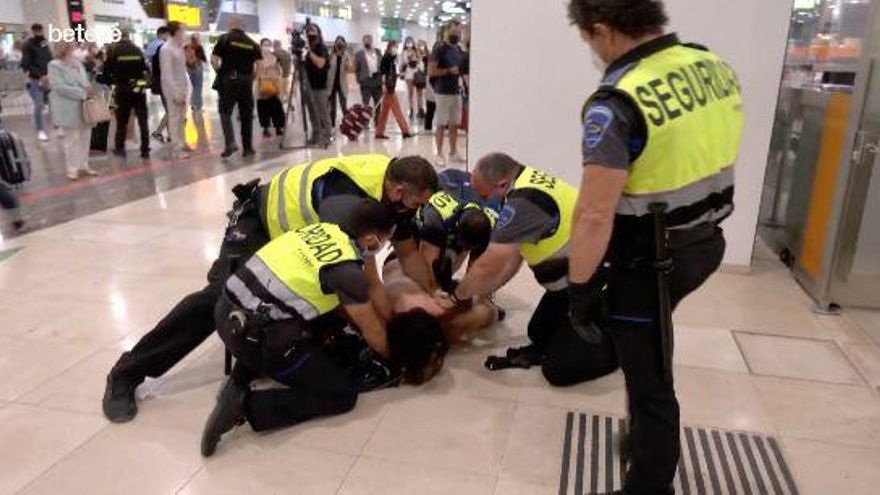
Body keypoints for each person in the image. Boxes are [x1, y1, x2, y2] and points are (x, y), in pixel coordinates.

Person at [102, 154, 439, 423]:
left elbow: (408, 255)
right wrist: (385, 337)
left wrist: (435, 294)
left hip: (293, 240)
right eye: (415, 203)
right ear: (397, 192)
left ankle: (258, 362)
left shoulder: (396, 196)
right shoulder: (347, 194)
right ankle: (126, 372)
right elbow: (362, 279)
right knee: (221, 297)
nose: (416, 211)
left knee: (318, 306)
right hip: (261, 224)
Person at [565, 1, 744, 493]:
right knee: (643, 347)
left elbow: (595, 214)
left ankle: (650, 480)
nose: (591, 50)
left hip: (650, 261)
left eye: (587, 39)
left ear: (602, 31)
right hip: (706, 243)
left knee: (651, 381)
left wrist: (579, 290)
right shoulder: (709, 64)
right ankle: (643, 439)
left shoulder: (616, 103)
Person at [201, 212, 449, 457]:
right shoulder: (347, 273)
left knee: (326, 315)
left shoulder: (326, 230)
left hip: (227, 308)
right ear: (372, 239)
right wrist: (395, 360)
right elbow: (371, 329)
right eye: (386, 240)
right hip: (253, 338)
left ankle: (241, 375)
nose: (384, 245)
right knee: (341, 394)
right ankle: (245, 406)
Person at [453, 153, 619, 386]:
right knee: (539, 332)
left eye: (484, 195)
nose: (482, 201)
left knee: (558, 370)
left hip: (597, 283)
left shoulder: (524, 204)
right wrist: (481, 293)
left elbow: (489, 265)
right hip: (575, 282)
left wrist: (457, 295)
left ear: (501, 184)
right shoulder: (524, 180)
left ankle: (620, 343)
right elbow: (513, 260)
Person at [382, 257, 500, 344]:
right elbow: (487, 313)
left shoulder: (435, 311)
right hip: (401, 267)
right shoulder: (439, 316)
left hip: (401, 266)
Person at [414, 189, 496, 292]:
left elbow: (478, 268)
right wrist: (435, 291)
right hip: (421, 229)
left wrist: (466, 293)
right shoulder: (436, 217)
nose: (467, 249)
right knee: (424, 280)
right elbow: (428, 261)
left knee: (452, 260)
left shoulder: (492, 226)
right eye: (466, 246)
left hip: (458, 229)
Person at [212, 17, 261, 158]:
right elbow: (260, 66)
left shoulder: (225, 39)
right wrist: (251, 79)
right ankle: (248, 148)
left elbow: (214, 60)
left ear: (231, 25)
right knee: (246, 115)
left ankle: (231, 142)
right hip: (246, 80)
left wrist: (221, 73)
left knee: (225, 111)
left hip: (229, 79)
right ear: (243, 27)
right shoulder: (252, 43)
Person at [48, 41, 98, 181]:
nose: (74, 50)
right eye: (71, 48)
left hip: (84, 106)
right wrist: (82, 92)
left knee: (85, 137)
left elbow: (85, 80)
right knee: (72, 139)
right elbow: (58, 87)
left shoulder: (77, 63)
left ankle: (84, 165)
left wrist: (88, 89)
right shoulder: (54, 65)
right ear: (64, 50)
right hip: (68, 107)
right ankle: (72, 168)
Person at [103, 28, 151, 159]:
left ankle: (120, 148)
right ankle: (145, 149)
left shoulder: (113, 51)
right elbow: (145, 69)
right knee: (142, 118)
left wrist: (111, 81)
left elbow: (106, 71)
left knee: (122, 119)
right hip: (138, 86)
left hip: (122, 87)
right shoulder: (137, 49)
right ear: (128, 36)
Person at [428, 21, 467, 166]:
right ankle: (438, 153)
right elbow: (431, 71)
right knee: (440, 123)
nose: (456, 35)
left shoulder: (458, 50)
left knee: (454, 123)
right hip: (442, 91)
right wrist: (448, 71)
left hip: (456, 91)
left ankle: (453, 152)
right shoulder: (439, 48)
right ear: (447, 31)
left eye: (458, 32)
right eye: (454, 32)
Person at [159, 21, 191, 160]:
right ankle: (176, 149)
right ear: (176, 32)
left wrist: (186, 88)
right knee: (174, 117)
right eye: (183, 30)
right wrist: (175, 92)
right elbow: (166, 74)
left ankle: (182, 143)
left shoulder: (179, 47)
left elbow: (182, 70)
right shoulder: (166, 49)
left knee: (181, 118)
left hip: (182, 86)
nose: (185, 33)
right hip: (172, 89)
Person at [20, 23, 53, 142]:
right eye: (37, 31)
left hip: (48, 78)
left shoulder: (44, 43)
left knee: (53, 102)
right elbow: (26, 64)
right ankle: (40, 130)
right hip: (35, 79)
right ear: (33, 31)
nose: (39, 32)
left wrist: (50, 73)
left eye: (41, 30)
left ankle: (57, 125)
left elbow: (49, 58)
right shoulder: (27, 45)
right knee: (39, 105)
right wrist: (40, 75)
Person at [375, 41, 413, 140]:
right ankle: (405, 131)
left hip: (390, 87)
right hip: (388, 88)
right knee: (397, 110)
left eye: (396, 46)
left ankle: (379, 132)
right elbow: (383, 73)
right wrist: (384, 85)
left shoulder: (391, 59)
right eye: (394, 46)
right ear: (389, 47)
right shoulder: (386, 58)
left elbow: (391, 73)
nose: (395, 48)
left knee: (385, 112)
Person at [303, 23, 331, 147]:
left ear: (318, 32)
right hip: (309, 85)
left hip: (319, 86)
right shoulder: (309, 49)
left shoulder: (321, 48)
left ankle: (326, 139)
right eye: (308, 31)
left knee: (322, 113)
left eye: (313, 31)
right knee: (312, 114)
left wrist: (309, 52)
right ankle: (315, 136)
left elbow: (320, 64)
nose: (310, 33)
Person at [254, 38, 285, 138]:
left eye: (269, 44)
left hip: (273, 84)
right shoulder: (257, 58)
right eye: (265, 44)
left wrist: (277, 78)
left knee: (276, 107)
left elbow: (280, 71)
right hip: (261, 85)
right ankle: (265, 128)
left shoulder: (274, 57)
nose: (267, 47)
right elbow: (254, 71)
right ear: (261, 46)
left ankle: (278, 128)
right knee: (263, 108)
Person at [145, 26, 170, 144]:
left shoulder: (151, 45)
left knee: (168, 107)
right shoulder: (163, 47)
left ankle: (171, 134)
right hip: (164, 81)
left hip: (156, 80)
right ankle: (158, 131)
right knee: (171, 109)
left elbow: (148, 63)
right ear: (162, 34)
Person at [328, 36, 353, 127]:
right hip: (331, 84)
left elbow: (350, 69)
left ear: (344, 45)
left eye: (341, 43)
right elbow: (326, 66)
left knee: (344, 105)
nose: (339, 45)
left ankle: (347, 123)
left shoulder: (346, 56)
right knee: (332, 107)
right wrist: (332, 54)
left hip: (342, 84)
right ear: (335, 44)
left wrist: (346, 58)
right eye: (338, 43)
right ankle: (332, 124)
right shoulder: (331, 55)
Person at [355, 35, 383, 115]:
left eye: (369, 40)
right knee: (365, 104)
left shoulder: (378, 52)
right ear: (363, 42)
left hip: (377, 81)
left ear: (372, 41)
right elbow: (356, 69)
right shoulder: (359, 54)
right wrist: (359, 80)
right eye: (366, 40)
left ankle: (377, 123)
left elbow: (382, 65)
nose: (368, 42)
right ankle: (365, 123)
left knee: (378, 104)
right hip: (365, 81)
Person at [400, 37, 423, 119]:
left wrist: (415, 58)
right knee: (410, 93)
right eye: (408, 42)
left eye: (411, 42)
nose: (409, 43)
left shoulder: (417, 51)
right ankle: (411, 110)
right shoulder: (404, 52)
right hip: (408, 73)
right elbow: (403, 63)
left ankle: (421, 109)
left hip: (417, 73)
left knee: (419, 93)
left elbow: (420, 61)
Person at [185, 34, 207, 113]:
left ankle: (192, 104)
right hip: (197, 67)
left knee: (191, 87)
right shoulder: (199, 47)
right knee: (198, 87)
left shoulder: (186, 47)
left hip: (188, 68)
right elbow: (204, 59)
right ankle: (197, 106)